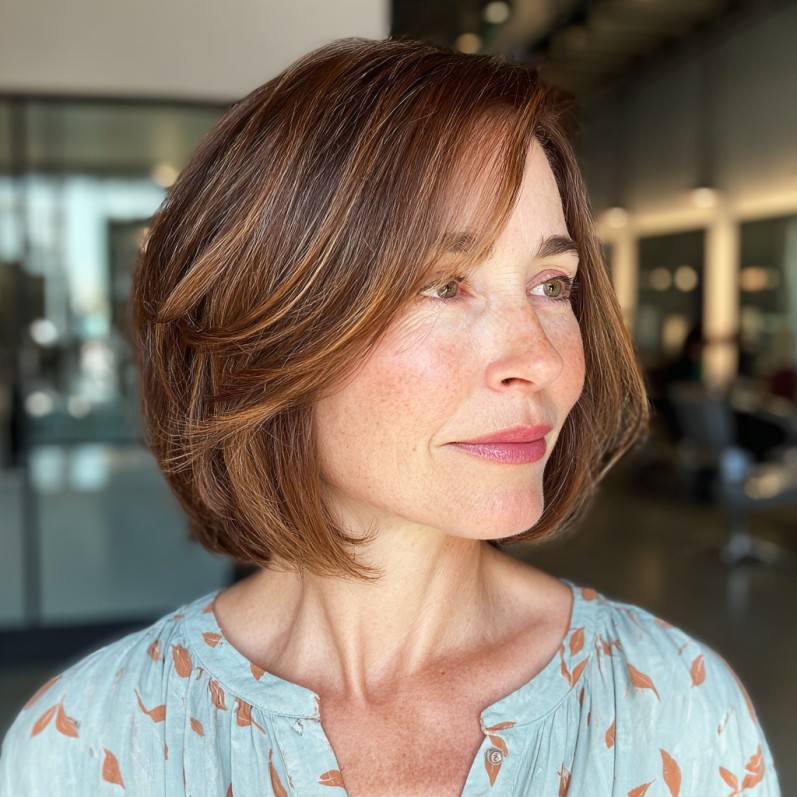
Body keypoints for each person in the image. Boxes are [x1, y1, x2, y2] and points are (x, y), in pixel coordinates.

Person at [0, 38, 780, 796]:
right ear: (265, 329)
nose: (538, 359)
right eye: (442, 286)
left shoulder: (674, 708)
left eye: (551, 284)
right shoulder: (89, 742)